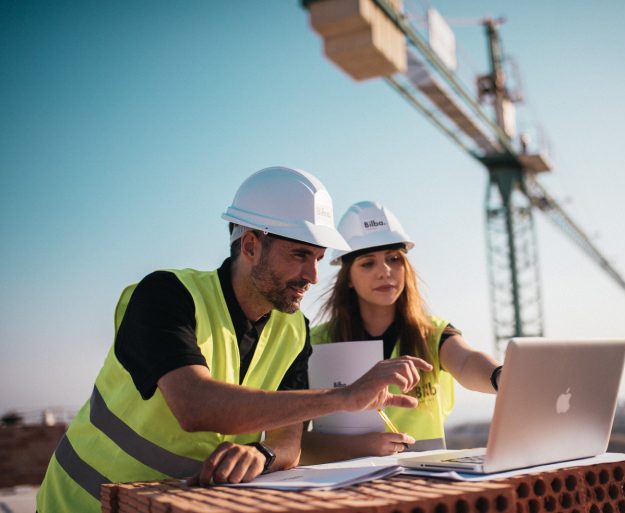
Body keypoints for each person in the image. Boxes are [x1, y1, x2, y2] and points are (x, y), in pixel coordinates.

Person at [37, 168, 431, 513]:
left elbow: (288, 442)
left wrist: (261, 453)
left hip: (174, 504)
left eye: (317, 257)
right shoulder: (167, 294)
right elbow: (195, 405)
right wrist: (345, 397)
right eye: (299, 255)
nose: (312, 275)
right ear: (250, 245)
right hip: (82, 502)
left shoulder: (294, 332)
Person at [302, 201, 501, 463]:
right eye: (368, 263)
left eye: (394, 259)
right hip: (347, 488)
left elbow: (466, 361)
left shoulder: (432, 332)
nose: (385, 272)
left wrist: (501, 376)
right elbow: (294, 438)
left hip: (427, 483)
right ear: (348, 277)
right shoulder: (315, 343)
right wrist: (359, 447)